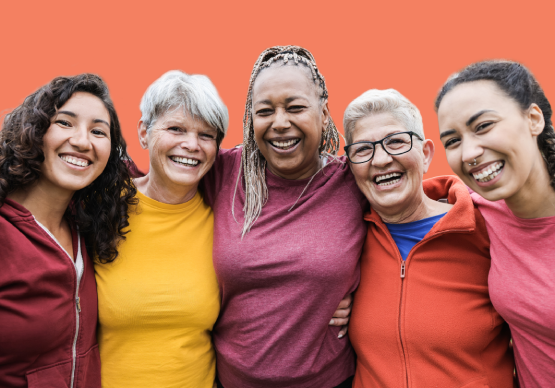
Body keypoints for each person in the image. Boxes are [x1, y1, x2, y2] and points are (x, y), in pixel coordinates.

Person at [202, 45, 366, 388]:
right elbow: (146, 188)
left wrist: (366, 301)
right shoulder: (223, 174)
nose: (280, 123)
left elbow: (409, 221)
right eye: (265, 111)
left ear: (324, 115)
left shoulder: (354, 180)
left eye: (295, 108)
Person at [344, 89, 515, 387]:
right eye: (363, 149)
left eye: (396, 142)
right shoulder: (346, 240)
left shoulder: (489, 226)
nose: (381, 159)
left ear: (425, 154)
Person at [94, 70, 228, 388]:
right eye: (176, 129)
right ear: (144, 132)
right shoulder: (100, 207)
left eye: (206, 135)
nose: (191, 144)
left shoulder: (225, 221)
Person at [0, 74, 136, 388]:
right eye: (65, 123)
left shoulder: (86, 226)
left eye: (98, 131)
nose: (83, 141)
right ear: (32, 130)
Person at [435, 60, 555, 388]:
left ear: (533, 119)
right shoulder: (478, 208)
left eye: (484, 126)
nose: (470, 152)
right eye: (453, 140)